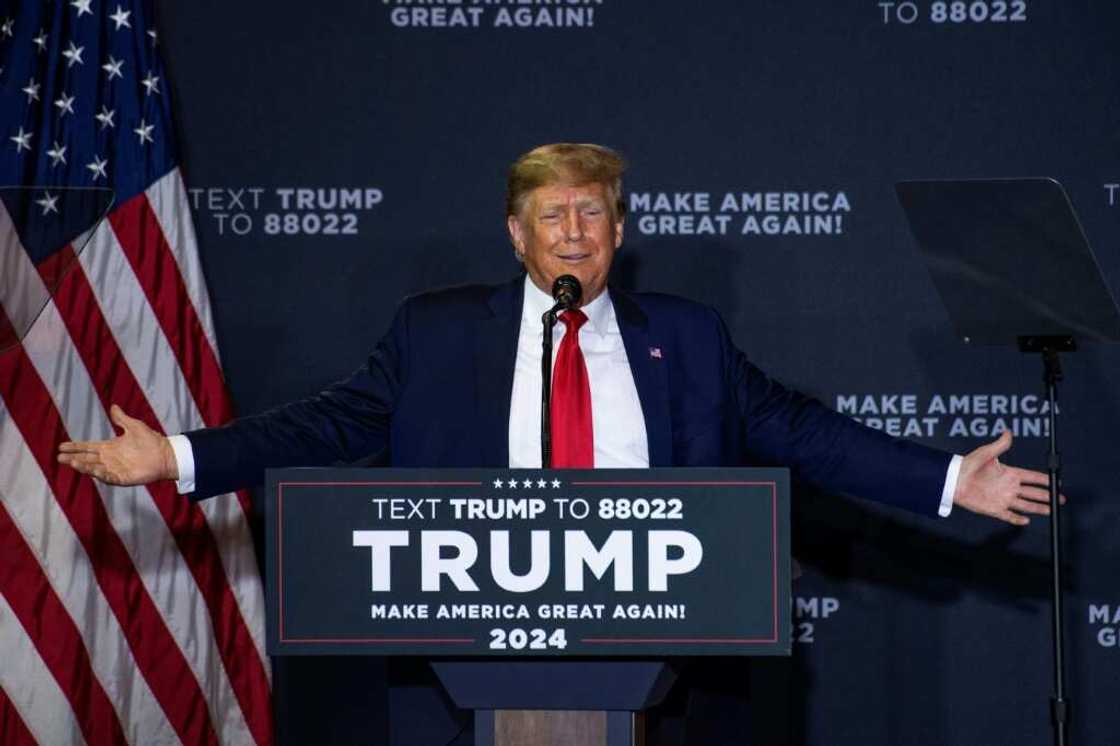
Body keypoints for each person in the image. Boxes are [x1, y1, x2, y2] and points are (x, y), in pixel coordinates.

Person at [58, 143, 1060, 743]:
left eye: (592, 212)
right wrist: (182, 457)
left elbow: (796, 428)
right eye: (552, 215)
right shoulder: (437, 330)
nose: (573, 231)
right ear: (514, 234)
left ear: (619, 229)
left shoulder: (688, 335)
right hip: (470, 668)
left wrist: (940, 477)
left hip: (659, 664)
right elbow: (329, 421)